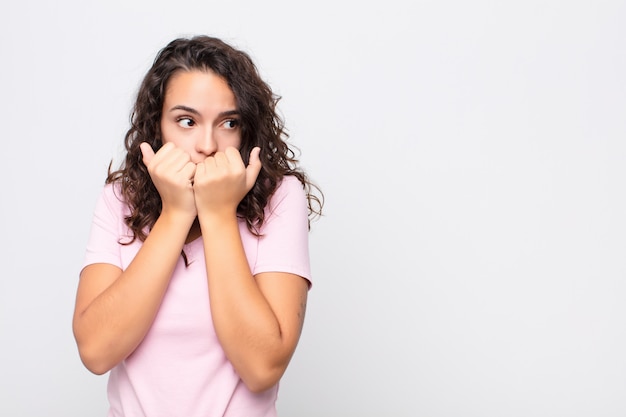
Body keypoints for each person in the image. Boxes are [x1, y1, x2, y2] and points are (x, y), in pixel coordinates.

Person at [72, 35, 323, 417]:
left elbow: (262, 368)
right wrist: (176, 214)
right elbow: (96, 351)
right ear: (157, 128)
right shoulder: (120, 198)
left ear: (246, 132)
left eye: (228, 122)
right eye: (186, 121)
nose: (207, 144)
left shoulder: (279, 199)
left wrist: (218, 213)